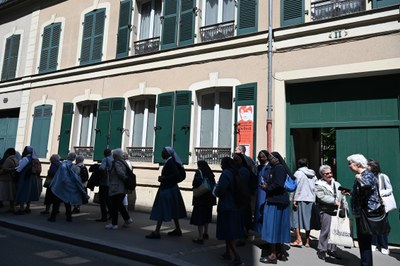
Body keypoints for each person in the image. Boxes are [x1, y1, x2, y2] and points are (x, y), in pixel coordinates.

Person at [146, 147, 187, 239]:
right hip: (172, 188)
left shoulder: (170, 162)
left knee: (161, 208)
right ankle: (178, 229)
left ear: (168, 153)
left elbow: (176, 175)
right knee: (173, 208)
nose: (161, 154)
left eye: (163, 152)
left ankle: (157, 232)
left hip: (167, 188)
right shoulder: (172, 161)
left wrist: (164, 178)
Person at [348, 154, 381, 266]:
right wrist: (351, 193)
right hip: (361, 212)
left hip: (366, 213)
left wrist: (359, 178)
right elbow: (363, 193)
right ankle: (365, 263)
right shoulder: (362, 174)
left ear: (358, 164)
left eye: (350, 163)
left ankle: (366, 264)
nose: (349, 166)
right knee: (363, 240)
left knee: (365, 240)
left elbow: (366, 185)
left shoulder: (366, 174)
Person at [259, 151, 291, 263]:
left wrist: (266, 187)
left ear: (276, 159)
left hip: (275, 201)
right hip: (279, 200)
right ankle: (281, 252)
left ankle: (273, 255)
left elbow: (278, 184)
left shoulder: (278, 168)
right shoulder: (277, 168)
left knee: (272, 227)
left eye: (270, 158)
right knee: (279, 227)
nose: (269, 159)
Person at [214, 157, 244, 266]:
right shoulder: (235, 172)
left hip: (227, 206)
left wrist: (216, 189)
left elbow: (220, 190)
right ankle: (227, 252)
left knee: (229, 233)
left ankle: (237, 257)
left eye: (222, 163)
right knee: (228, 233)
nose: (221, 165)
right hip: (235, 206)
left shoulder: (226, 174)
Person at [48, 152, 88, 222]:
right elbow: (75, 176)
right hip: (69, 186)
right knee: (67, 201)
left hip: (60, 185)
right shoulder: (74, 166)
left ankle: (53, 217)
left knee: (56, 202)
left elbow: (60, 175)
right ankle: (68, 217)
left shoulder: (63, 164)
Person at [315, 165, 344, 260]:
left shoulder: (337, 184)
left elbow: (342, 197)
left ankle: (332, 250)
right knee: (325, 230)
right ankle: (322, 249)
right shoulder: (319, 185)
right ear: (322, 175)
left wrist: (344, 206)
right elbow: (321, 197)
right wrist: (333, 200)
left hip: (336, 210)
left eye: (330, 172)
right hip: (326, 210)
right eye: (327, 173)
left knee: (334, 231)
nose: (330, 175)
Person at [290, 158, 317, 248]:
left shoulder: (298, 173)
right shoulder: (313, 174)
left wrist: (293, 198)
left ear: (298, 165)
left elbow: (295, 186)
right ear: (307, 164)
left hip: (300, 198)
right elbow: (316, 186)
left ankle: (298, 239)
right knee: (308, 220)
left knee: (296, 219)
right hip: (311, 199)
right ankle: (307, 241)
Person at [367, 159, 392, 255]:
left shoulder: (383, 177)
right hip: (371, 205)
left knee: (382, 225)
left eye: (368, 166)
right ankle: (373, 243)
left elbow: (390, 189)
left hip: (382, 204)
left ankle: (384, 246)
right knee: (372, 225)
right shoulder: (368, 177)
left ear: (373, 167)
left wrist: (379, 193)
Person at [105, 149, 133, 230]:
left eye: (113, 155)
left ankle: (114, 224)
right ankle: (127, 219)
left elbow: (120, 173)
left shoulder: (117, 163)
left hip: (117, 187)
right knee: (119, 205)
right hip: (121, 187)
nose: (112, 156)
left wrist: (125, 179)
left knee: (114, 206)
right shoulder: (124, 162)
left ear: (115, 156)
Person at [190, 160, 216, 244]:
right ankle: (206, 233)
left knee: (200, 217)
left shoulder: (199, 172)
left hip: (201, 198)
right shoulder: (210, 173)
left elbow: (196, 183)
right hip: (209, 198)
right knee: (206, 216)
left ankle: (200, 237)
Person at [14, 146, 40, 214]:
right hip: (32, 177)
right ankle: (27, 207)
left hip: (25, 177)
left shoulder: (26, 158)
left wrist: (14, 170)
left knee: (23, 190)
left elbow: (20, 168)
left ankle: (21, 208)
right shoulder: (35, 159)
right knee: (30, 191)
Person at [254, 150, 271, 235]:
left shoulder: (270, 167)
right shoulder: (259, 167)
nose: (260, 159)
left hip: (265, 192)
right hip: (259, 191)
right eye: (259, 157)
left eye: (262, 157)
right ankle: (259, 231)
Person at [0, 148, 19, 213]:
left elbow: (4, 169)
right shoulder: (16, 159)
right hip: (12, 179)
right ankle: (12, 207)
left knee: (3, 193)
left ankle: (11, 208)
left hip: (5, 179)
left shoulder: (8, 160)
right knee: (11, 194)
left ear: (8, 153)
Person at [96, 148, 113, 222]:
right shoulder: (113, 159)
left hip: (104, 181)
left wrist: (98, 167)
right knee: (108, 199)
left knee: (102, 200)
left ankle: (104, 216)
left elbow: (102, 168)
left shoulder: (105, 159)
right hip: (111, 182)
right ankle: (112, 214)